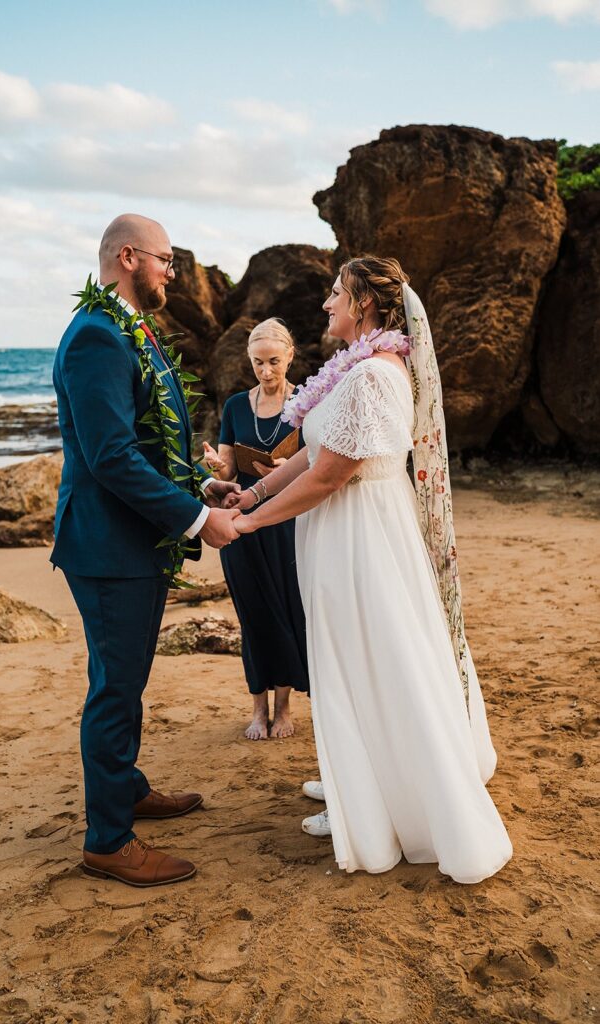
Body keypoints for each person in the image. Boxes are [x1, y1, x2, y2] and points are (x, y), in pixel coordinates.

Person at [230, 256, 513, 884]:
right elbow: (309, 453)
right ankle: (358, 780)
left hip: (363, 539)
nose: (326, 303)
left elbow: (333, 476)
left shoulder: (375, 378)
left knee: (373, 659)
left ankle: (388, 803)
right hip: (338, 535)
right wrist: (248, 496)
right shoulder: (350, 373)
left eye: (336, 294)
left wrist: (250, 525)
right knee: (347, 661)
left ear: (365, 306)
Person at [51, 214, 241, 888]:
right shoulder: (97, 337)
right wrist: (195, 520)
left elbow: (150, 442)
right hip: (106, 546)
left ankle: (126, 788)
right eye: (166, 258)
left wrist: (200, 484)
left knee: (125, 678)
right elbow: (110, 457)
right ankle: (107, 840)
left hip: (129, 541)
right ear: (128, 257)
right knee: (114, 687)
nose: (173, 271)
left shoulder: (128, 330)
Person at [202, 319, 309, 740]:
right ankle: (257, 708)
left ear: (290, 356)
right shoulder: (233, 407)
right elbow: (228, 465)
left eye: (274, 362)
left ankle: (283, 708)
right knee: (253, 615)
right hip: (241, 519)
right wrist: (216, 466)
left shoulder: (306, 401)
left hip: (286, 518)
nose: (265, 371)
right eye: (257, 363)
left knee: (286, 609)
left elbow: (319, 460)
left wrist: (288, 468)